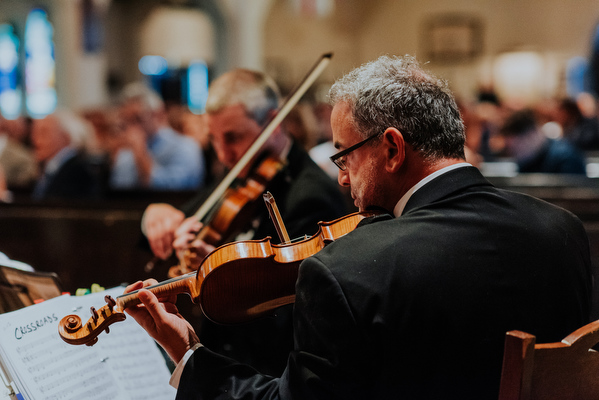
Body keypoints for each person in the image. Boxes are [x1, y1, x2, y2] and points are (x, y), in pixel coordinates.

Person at [125, 55, 592, 400]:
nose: (342, 175)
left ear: (391, 148)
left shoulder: (348, 270)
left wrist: (186, 352)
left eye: (344, 153)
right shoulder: (562, 231)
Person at [140, 68, 349, 376]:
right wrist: (154, 215)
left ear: (273, 123)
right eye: (215, 139)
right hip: (225, 362)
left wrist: (221, 271)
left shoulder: (311, 195)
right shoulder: (239, 173)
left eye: (234, 138)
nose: (224, 155)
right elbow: (184, 220)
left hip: (266, 374)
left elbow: (291, 312)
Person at [109, 83, 205, 190]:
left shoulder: (186, 147)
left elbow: (173, 191)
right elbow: (119, 190)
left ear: (157, 114)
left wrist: (140, 153)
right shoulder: (126, 152)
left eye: (138, 119)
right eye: (127, 121)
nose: (132, 128)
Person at [30, 110, 103, 201]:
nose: (35, 139)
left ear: (66, 136)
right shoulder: (53, 166)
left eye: (44, 132)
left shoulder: (77, 172)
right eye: (34, 133)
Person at [500, 108, 588, 174]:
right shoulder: (528, 160)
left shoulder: (566, 159)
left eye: (516, 148)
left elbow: (576, 196)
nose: (513, 154)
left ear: (532, 135)